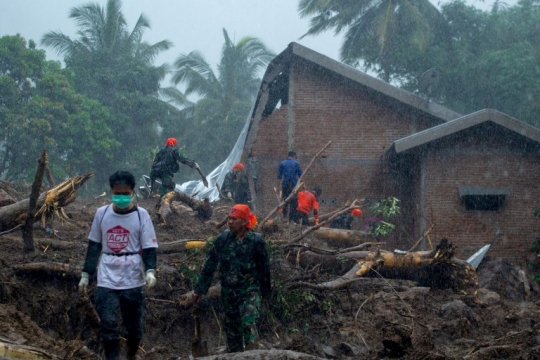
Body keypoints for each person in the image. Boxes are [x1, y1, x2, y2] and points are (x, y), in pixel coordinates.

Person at [78, 171, 158, 360]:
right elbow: (94, 244)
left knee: (134, 327)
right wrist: (86, 274)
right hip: (107, 275)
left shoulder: (141, 215)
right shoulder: (102, 213)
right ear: (111, 191)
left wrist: (151, 270)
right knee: (108, 323)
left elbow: (149, 247)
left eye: (125, 193)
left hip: (132, 276)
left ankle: (131, 355)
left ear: (132, 192)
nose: (121, 197)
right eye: (117, 193)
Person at [193, 204, 271, 353]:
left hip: (249, 291)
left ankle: (252, 354)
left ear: (244, 221)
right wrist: (199, 290)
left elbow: (264, 270)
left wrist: (265, 293)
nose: (229, 222)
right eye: (229, 218)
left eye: (234, 219)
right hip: (228, 293)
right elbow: (209, 265)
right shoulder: (223, 239)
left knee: (248, 322)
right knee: (232, 330)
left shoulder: (256, 241)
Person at [277, 151, 302, 221]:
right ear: (294, 156)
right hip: (293, 185)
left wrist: (278, 187)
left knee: (284, 200)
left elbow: (279, 177)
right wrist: (302, 185)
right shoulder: (296, 163)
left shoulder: (282, 163)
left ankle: (284, 216)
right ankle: (292, 218)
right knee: (293, 201)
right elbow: (300, 175)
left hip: (285, 184)